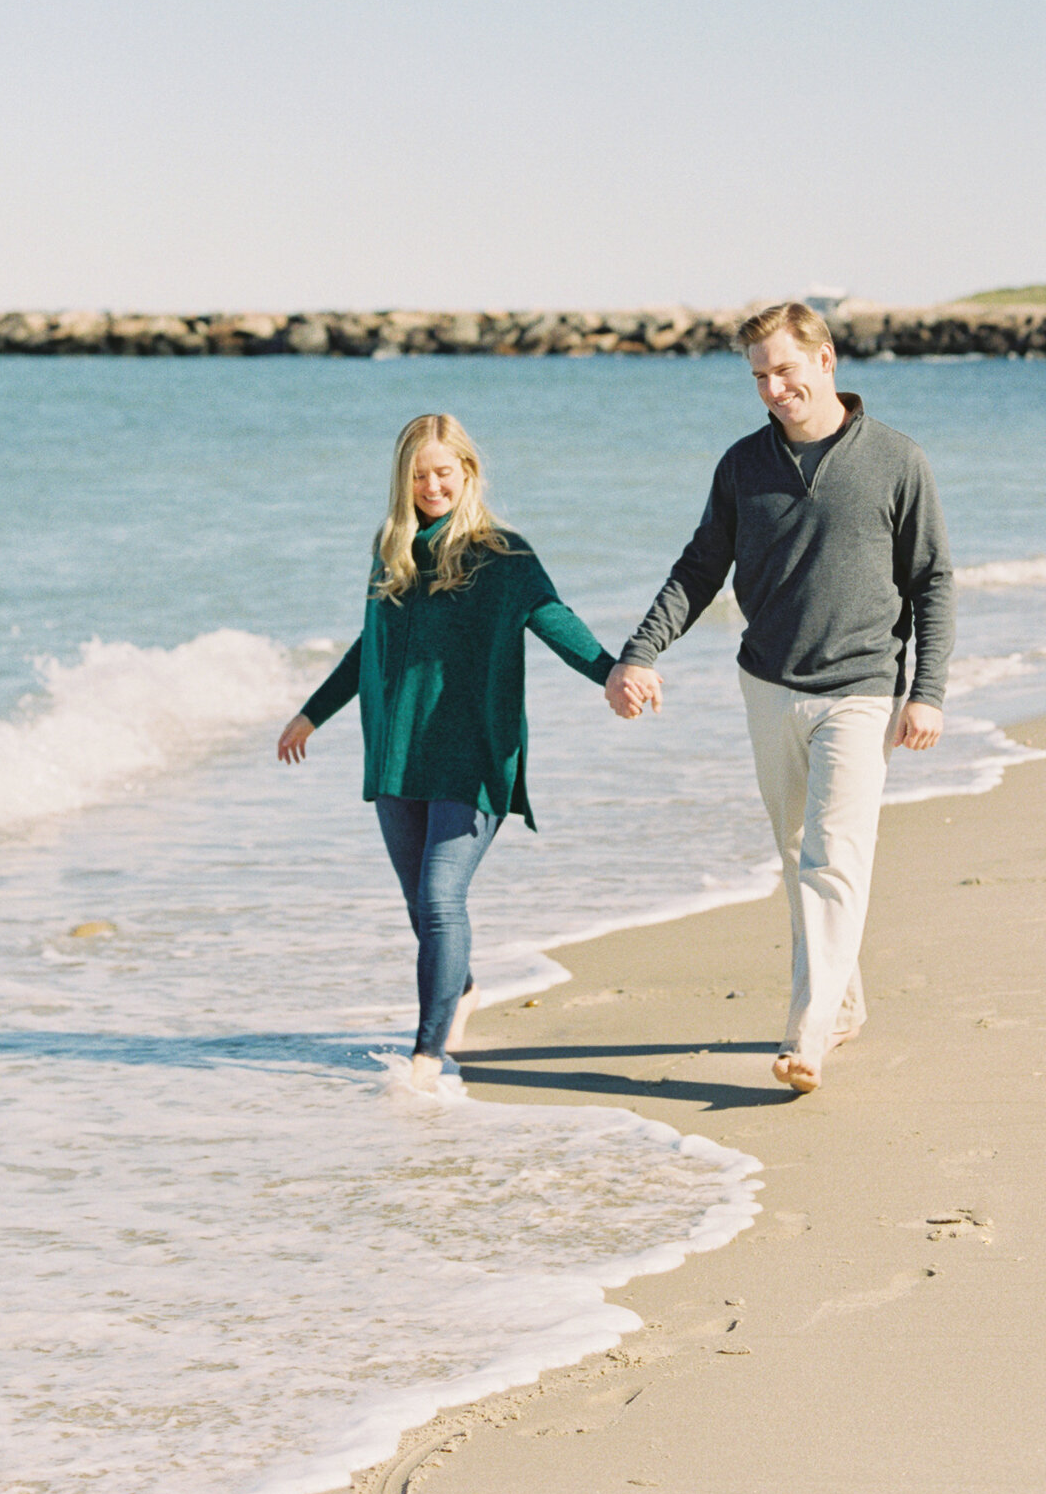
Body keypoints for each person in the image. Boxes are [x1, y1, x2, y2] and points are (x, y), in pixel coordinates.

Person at [606, 301, 954, 1094]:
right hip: (767, 685)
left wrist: (926, 692)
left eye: (785, 371)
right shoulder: (741, 467)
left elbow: (932, 581)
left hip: (862, 691)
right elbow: (699, 571)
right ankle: (844, 1002)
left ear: (825, 361)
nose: (773, 389)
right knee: (800, 858)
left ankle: (810, 1032)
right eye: (760, 377)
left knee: (836, 857)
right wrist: (640, 652)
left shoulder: (897, 460)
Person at [278, 413, 626, 1091]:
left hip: (472, 752)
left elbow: (554, 619)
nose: (432, 485)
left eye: (444, 471)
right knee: (420, 907)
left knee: (440, 899)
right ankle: (459, 989)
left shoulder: (504, 555)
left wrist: (612, 672)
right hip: (399, 754)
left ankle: (426, 1055)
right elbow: (368, 646)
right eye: (418, 474)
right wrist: (311, 713)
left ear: (468, 472)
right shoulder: (392, 549)